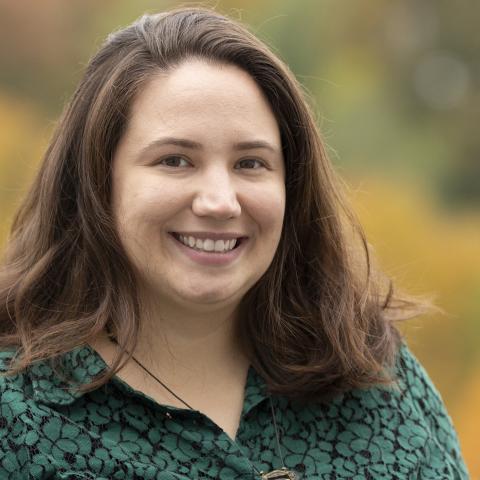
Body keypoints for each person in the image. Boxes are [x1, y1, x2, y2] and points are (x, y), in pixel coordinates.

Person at [0, 7, 468, 480]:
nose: (220, 202)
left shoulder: (378, 378)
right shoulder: (16, 417)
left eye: (250, 163)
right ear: (98, 181)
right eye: (175, 160)